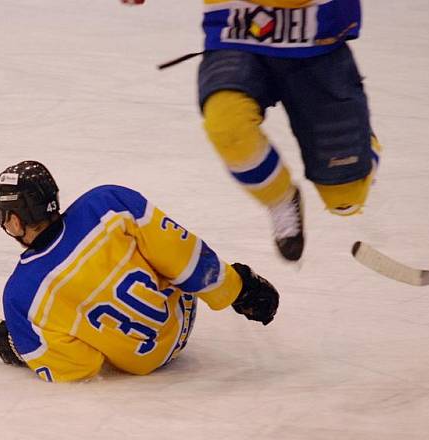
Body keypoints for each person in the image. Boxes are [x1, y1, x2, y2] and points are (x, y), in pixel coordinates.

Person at [121, 0, 381, 261]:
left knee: (346, 200)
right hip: (237, 28)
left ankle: (361, 145)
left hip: (318, 37)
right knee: (227, 127)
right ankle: (280, 198)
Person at [0, 160, 280, 382]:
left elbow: (77, 366)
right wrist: (237, 287)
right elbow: (179, 253)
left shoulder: (20, 296)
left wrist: (20, 345)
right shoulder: (106, 205)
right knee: (154, 245)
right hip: (183, 316)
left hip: (144, 360)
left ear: (14, 221)